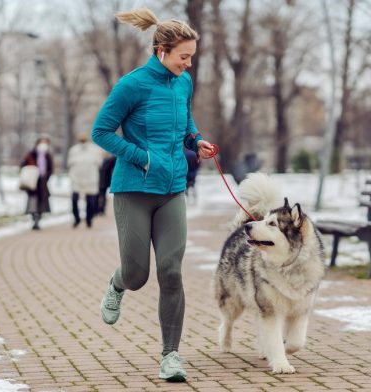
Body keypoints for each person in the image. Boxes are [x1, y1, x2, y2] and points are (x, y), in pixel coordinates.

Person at [91, 8, 215, 382]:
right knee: (138, 273)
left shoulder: (183, 83)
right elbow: (102, 132)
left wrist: (196, 140)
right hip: (133, 189)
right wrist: (142, 157)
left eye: (192, 56)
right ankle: (118, 283)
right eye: (184, 56)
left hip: (173, 188)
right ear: (161, 50)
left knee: (171, 271)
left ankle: (170, 356)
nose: (188, 64)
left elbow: (185, 121)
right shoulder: (132, 85)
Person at [67, 133, 104, 228]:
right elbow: (69, 163)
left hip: (90, 177)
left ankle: (89, 219)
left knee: (90, 200)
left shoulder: (95, 150)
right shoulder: (73, 150)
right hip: (77, 178)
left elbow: (99, 163)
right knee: (74, 199)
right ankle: (77, 219)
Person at [20, 135, 54, 230]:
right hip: (32, 183)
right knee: (33, 202)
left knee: (41, 202)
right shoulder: (31, 154)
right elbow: (23, 165)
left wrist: (46, 177)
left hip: (43, 183)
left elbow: (50, 169)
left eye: (45, 143)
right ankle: (34, 219)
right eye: (41, 142)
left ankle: (38, 219)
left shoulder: (47, 155)